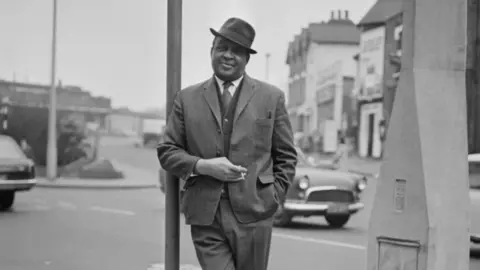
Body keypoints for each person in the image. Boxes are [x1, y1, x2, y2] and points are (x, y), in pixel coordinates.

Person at [157, 17, 297, 270]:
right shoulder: (187, 98)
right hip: (205, 215)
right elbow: (167, 151)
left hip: (255, 213)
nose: (228, 56)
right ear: (212, 51)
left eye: (237, 51)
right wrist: (203, 166)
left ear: (246, 59)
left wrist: (274, 197)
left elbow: (286, 155)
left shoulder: (271, 98)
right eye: (222, 48)